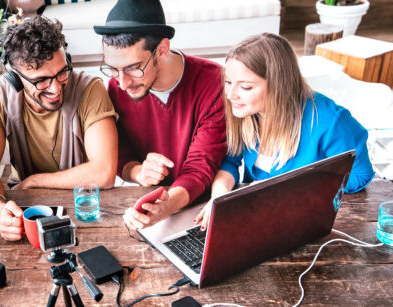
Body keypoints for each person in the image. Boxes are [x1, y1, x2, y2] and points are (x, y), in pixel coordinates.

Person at [194, 33, 375, 228]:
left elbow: (360, 174)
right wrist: (218, 198)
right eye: (228, 82)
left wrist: (290, 190)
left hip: (304, 218)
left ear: (277, 86)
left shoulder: (330, 121)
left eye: (245, 87)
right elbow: (230, 161)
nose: (230, 95)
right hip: (255, 215)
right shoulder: (244, 111)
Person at [0, 16, 118, 241]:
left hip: (80, 202)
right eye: (40, 81)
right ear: (15, 77)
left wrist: (35, 180)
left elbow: (104, 172)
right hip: (25, 203)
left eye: (62, 71)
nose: (56, 87)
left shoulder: (90, 89)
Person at [94, 0, 227, 230]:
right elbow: (121, 155)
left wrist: (165, 207)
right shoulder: (117, 86)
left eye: (133, 68)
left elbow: (200, 168)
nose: (123, 83)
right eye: (113, 70)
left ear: (162, 49)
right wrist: (138, 172)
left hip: (199, 209)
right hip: (145, 203)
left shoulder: (213, 83)